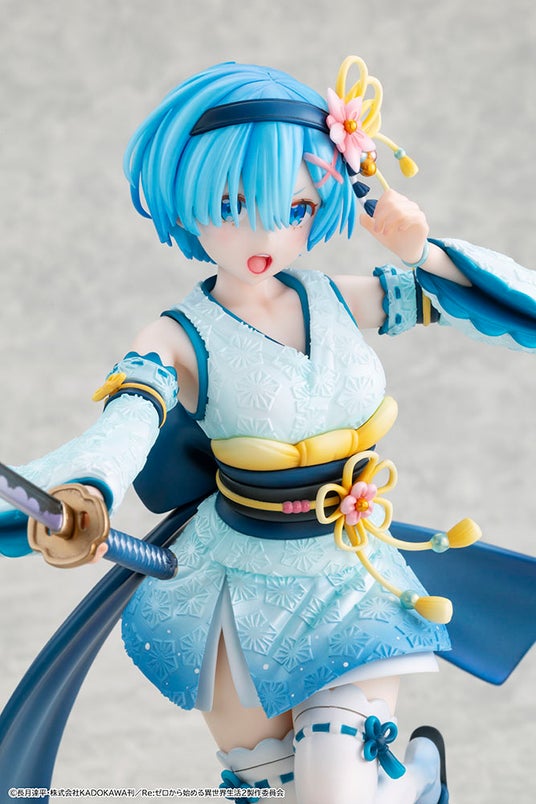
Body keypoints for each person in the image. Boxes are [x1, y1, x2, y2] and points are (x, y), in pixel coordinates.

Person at [1, 57, 535, 804]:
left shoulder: (339, 298)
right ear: (187, 196)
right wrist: (88, 489)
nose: (268, 232)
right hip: (234, 587)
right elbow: (127, 421)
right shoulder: (179, 336)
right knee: (276, 789)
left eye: (297, 207)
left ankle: (415, 778)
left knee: (334, 787)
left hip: (349, 577)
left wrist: (420, 248)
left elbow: (487, 301)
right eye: (232, 202)